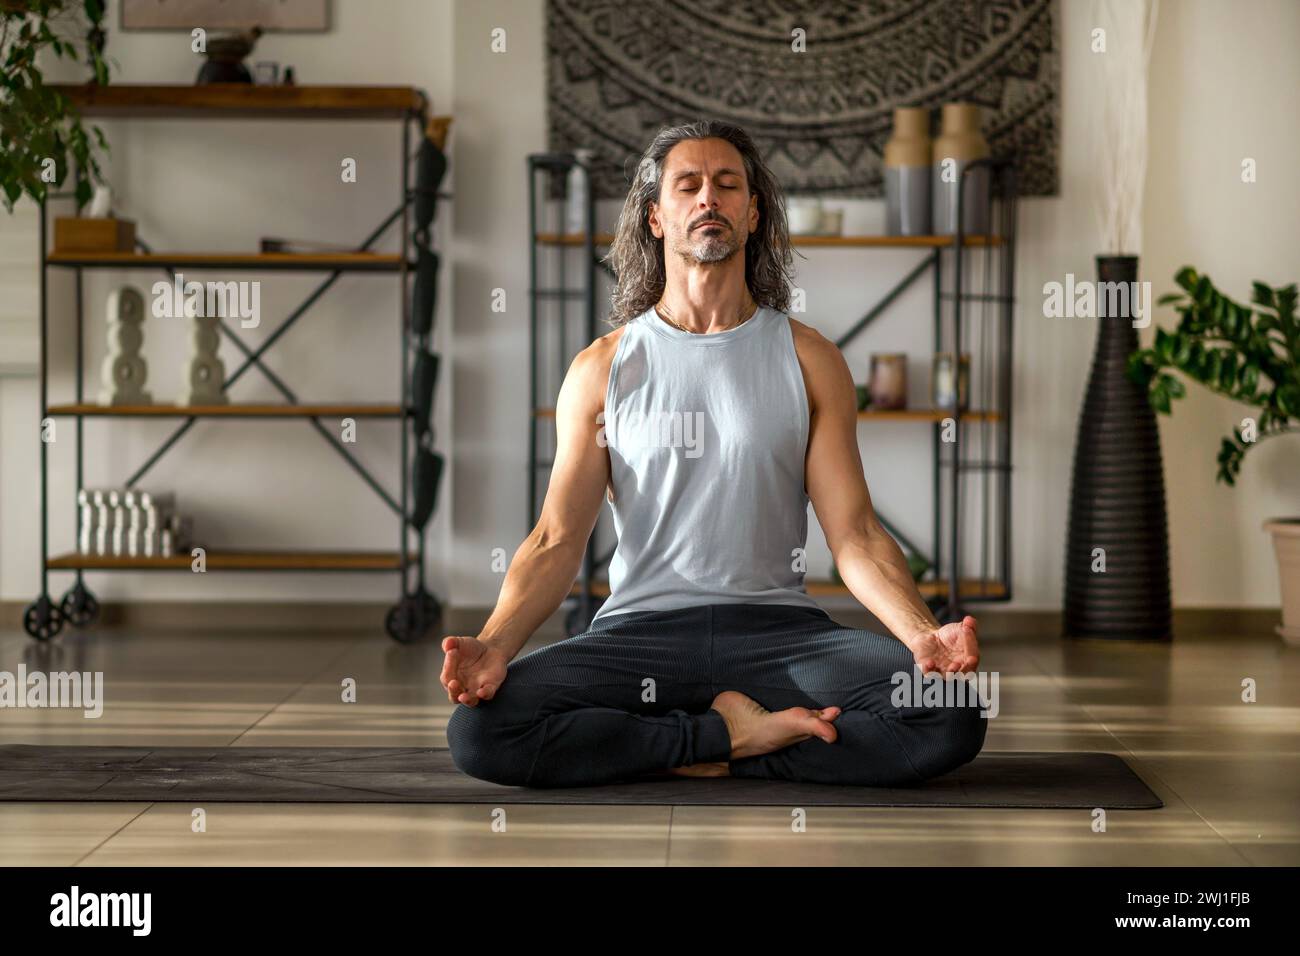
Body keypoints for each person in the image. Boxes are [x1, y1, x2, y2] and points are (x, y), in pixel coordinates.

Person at [443, 119, 986, 788]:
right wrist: (494, 644)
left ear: (753, 214)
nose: (709, 197)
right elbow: (556, 539)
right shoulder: (602, 369)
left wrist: (922, 634)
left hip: (778, 636)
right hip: (640, 635)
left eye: (728, 184)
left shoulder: (809, 359)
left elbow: (856, 535)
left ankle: (705, 745)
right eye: (688, 185)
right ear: (655, 217)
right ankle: (729, 735)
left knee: (949, 711)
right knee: (481, 733)